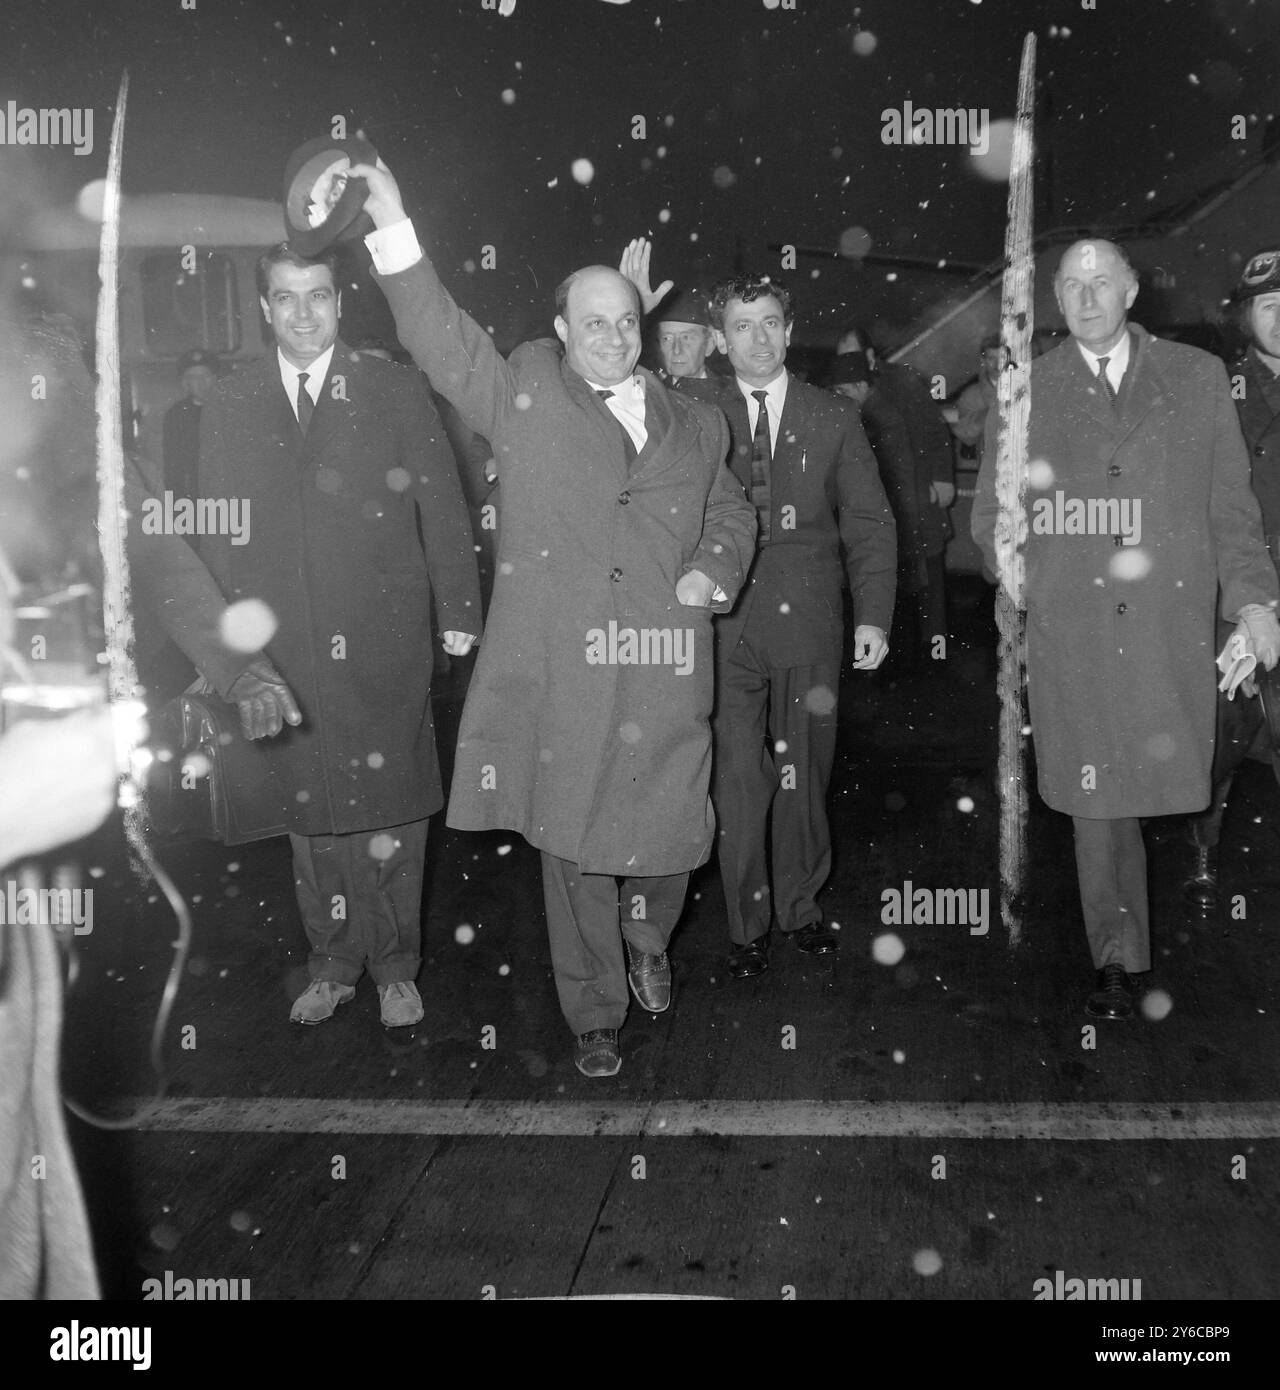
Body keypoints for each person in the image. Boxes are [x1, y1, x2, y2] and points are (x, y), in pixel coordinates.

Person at [347, 159, 756, 1078]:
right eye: (593, 322)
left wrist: (710, 574)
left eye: (625, 322)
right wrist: (398, 226)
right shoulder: (523, 391)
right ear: (562, 330)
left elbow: (732, 513)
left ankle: (648, 931)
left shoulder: (697, 423)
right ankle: (594, 1009)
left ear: (639, 328)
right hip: (565, 670)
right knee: (572, 843)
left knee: (673, 832)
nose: (611, 337)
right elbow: (440, 335)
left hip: (664, 661)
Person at [128, 242, 481, 1029]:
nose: (302, 313)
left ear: (339, 302)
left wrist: (458, 612)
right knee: (309, 811)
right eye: (285, 298)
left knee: (391, 805)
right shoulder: (229, 401)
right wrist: (218, 656)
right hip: (279, 646)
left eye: (317, 296)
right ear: (263, 308)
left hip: (382, 632)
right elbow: (214, 538)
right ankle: (332, 961)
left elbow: (443, 508)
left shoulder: (392, 387)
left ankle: (395, 965)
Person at [972, 238, 1280, 1020]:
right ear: (1056, 297)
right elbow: (995, 519)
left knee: (1187, 782)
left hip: (1170, 627)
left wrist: (1253, 604)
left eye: (1102, 280)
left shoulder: (1197, 377)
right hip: (1076, 633)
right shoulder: (1027, 392)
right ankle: (1117, 957)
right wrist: (1028, 577)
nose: (1086, 296)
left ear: (1132, 290)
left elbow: (1231, 509)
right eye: (1071, 283)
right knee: (1096, 801)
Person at [684, 276, 896, 979]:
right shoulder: (694, 412)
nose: (758, 338)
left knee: (804, 773)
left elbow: (869, 524)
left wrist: (874, 618)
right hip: (722, 625)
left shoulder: (832, 415)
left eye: (770, 323)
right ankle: (747, 924)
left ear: (788, 328)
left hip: (809, 624)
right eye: (741, 326)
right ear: (720, 338)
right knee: (740, 780)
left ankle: (799, 907)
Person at [1183, 248, 1280, 906]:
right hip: (1240, 594)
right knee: (1219, 735)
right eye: (1270, 308)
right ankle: (1205, 840)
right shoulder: (1220, 389)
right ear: (1247, 319)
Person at [839, 323, 954, 657]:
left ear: (871, 356)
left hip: (919, 489)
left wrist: (942, 479)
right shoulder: (850, 391)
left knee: (928, 572)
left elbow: (935, 432)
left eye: (854, 355)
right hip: (893, 492)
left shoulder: (902, 382)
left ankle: (935, 651)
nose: (848, 362)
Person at [828, 350, 930, 626]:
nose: (837, 396)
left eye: (842, 390)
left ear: (861, 387)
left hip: (885, 523)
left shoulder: (874, 418)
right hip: (891, 522)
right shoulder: (872, 412)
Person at [161, 347, 221, 504]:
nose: (200, 382)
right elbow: (173, 466)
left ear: (214, 378)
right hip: (192, 494)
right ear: (185, 383)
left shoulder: (230, 409)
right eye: (194, 377)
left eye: (205, 376)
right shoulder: (176, 416)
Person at [949, 332, 1004, 469]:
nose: (998, 364)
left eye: (1003, 357)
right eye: (992, 358)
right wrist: (992, 412)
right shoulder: (971, 396)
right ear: (983, 361)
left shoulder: (1032, 389)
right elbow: (965, 434)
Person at [649, 287, 717, 386]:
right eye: (667, 339)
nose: (677, 350)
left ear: (709, 344)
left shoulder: (734, 394)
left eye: (686, 338)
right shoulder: (651, 397)